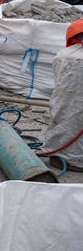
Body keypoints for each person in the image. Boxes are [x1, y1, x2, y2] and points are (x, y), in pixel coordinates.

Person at [41, 19, 83, 171]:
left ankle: (61, 153)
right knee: (72, 109)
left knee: (66, 107)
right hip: (76, 58)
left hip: (71, 53)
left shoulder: (66, 55)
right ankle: (72, 158)